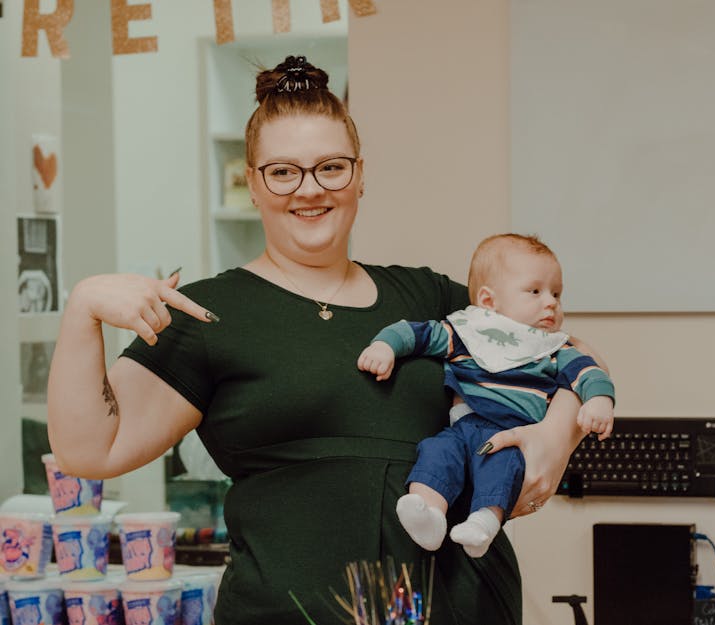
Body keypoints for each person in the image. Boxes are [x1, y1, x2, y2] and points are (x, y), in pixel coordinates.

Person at [47, 56, 602, 625]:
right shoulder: (209, 313)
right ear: (254, 184)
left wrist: (556, 434)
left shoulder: (430, 299)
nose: (309, 190)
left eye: (331, 168)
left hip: (463, 606)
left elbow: (565, 354)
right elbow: (89, 449)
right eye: (283, 171)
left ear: (361, 175)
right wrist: (82, 311)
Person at [358, 234, 615, 558]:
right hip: (462, 426)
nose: (550, 302)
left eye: (557, 294)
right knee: (436, 451)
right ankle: (430, 512)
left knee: (502, 465)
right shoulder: (469, 332)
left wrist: (598, 400)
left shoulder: (552, 349)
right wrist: (385, 346)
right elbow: (416, 333)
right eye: (535, 291)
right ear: (489, 301)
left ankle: (484, 523)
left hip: (509, 433)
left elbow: (589, 371)